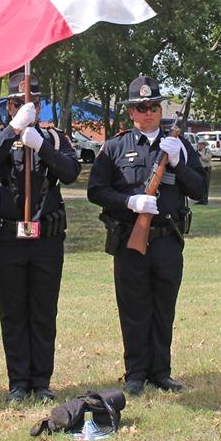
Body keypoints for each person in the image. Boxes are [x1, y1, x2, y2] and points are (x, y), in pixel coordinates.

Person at [87, 75, 204, 395]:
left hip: (167, 240)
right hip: (129, 240)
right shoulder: (114, 147)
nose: (148, 112)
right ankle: (135, 372)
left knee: (164, 307)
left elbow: (200, 189)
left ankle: (161, 372)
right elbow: (95, 190)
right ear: (131, 113)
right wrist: (129, 201)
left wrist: (179, 162)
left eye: (153, 106)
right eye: (141, 107)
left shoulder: (178, 144)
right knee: (134, 308)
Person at [0, 71, 81, 403]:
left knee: (43, 310)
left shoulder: (54, 139)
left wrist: (41, 145)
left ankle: (42, 381)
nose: (25, 107)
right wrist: (14, 130)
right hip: (8, 239)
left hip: (46, 239)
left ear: (39, 105)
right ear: (8, 106)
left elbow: (71, 173)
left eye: (32, 102)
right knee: (13, 311)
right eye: (18, 103)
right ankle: (18, 382)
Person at [196, 140, 212, 204]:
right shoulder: (196, 151)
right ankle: (200, 199)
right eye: (199, 144)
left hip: (206, 170)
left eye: (201, 144)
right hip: (199, 170)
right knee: (199, 185)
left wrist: (200, 155)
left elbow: (207, 159)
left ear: (204, 145)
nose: (200, 146)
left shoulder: (207, 151)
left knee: (206, 185)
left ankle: (205, 200)